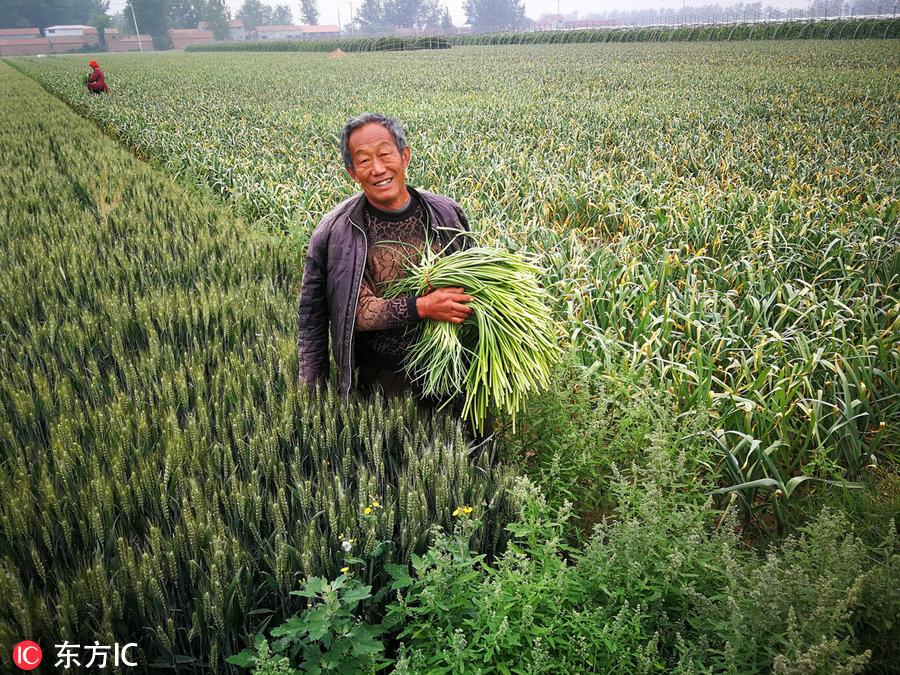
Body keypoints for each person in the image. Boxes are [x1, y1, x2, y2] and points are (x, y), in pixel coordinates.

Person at [297, 112, 475, 409]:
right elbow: (332, 315)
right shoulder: (335, 231)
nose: (377, 169)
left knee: (467, 451)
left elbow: (474, 280)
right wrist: (312, 397)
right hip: (381, 383)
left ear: (404, 156)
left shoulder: (446, 213)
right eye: (364, 160)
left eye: (384, 154)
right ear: (352, 171)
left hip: (452, 370)